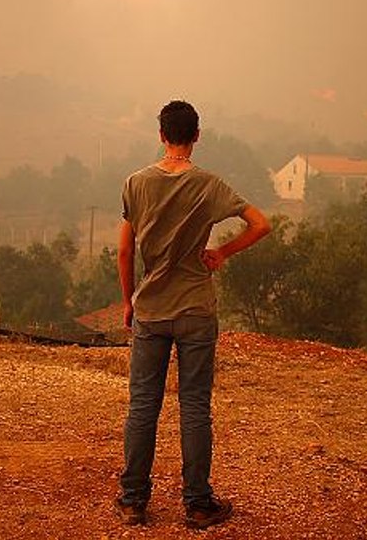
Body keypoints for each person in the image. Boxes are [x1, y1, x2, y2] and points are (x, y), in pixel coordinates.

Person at [114, 100, 272, 529]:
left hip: (151, 309)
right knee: (195, 406)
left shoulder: (136, 183)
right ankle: (198, 504)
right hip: (196, 310)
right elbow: (261, 224)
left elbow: (126, 250)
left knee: (143, 405)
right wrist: (222, 251)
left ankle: (133, 502)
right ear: (196, 136)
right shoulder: (208, 185)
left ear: (162, 134)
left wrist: (130, 301)